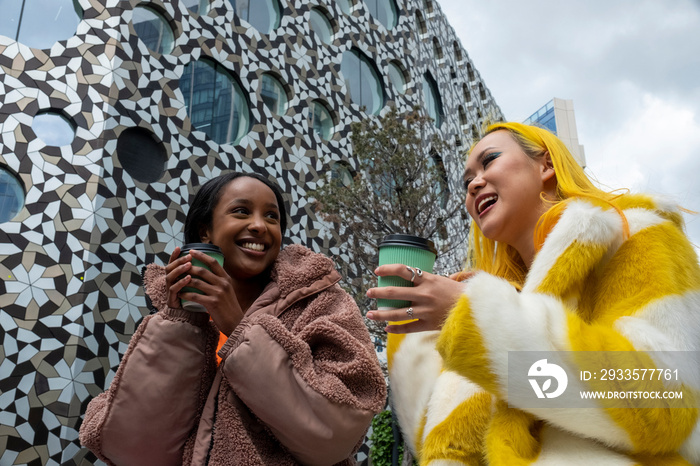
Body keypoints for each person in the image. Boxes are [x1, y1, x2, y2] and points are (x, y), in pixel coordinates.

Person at [366, 122, 700, 465]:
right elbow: (444, 449)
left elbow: (664, 400)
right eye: (466, 183)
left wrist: (477, 317)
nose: (474, 185)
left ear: (546, 166)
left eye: (489, 160)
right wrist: (415, 340)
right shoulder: (494, 304)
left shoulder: (640, 233)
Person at [80, 172, 386, 465]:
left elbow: (334, 437)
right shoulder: (171, 317)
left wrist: (237, 327)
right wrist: (178, 326)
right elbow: (134, 450)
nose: (259, 226)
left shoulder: (323, 302)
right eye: (241, 211)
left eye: (271, 216)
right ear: (205, 230)